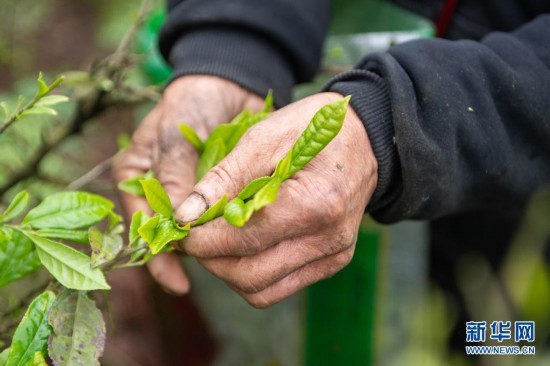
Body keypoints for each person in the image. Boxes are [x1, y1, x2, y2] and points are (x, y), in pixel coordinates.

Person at [114, 0, 550, 314]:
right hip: (362, 183)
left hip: (526, 212)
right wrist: (235, 46)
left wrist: (397, 120)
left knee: (502, 340)